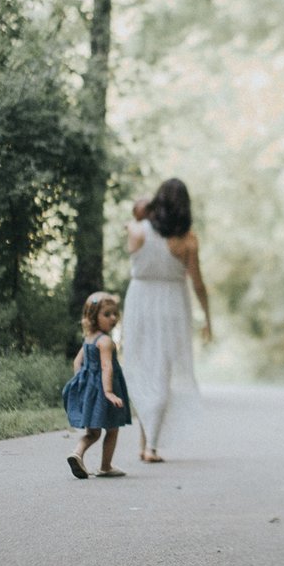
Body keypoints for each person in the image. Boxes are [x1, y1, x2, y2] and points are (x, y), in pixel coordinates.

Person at [118, 177, 211, 464]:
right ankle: (150, 445)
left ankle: (148, 443)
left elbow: (137, 216)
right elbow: (198, 283)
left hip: (140, 300)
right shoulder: (188, 239)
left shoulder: (137, 231)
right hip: (173, 302)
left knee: (143, 366)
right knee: (163, 370)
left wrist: (144, 207)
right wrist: (208, 317)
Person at [61, 291, 132, 479]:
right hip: (104, 390)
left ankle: (77, 453)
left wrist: (81, 381)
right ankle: (105, 466)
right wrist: (108, 392)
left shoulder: (89, 339)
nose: (113, 318)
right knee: (112, 427)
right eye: (107, 314)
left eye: (115, 313)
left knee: (92, 432)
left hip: (90, 389)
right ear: (93, 317)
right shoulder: (105, 341)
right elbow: (106, 366)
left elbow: (77, 362)